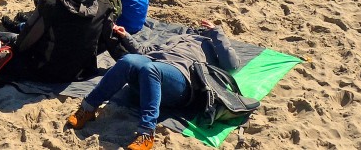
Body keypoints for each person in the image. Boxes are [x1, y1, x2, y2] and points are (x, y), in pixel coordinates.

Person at [65, 24, 247, 150]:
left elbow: (232, 65)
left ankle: (146, 132)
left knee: (151, 69)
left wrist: (216, 32)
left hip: (182, 81)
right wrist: (126, 36)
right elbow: (146, 52)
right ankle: (88, 109)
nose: (199, 29)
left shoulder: (211, 45)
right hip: (152, 67)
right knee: (127, 60)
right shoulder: (180, 37)